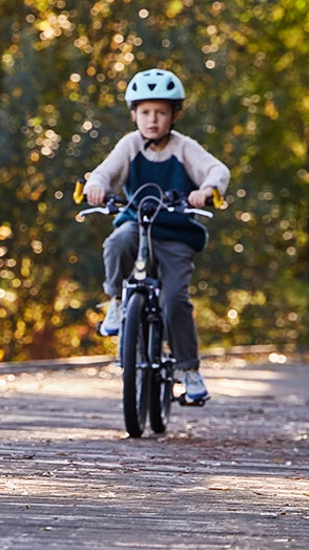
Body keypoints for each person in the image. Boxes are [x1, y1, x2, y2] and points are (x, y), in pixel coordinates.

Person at [82, 68, 230, 404]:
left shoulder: (183, 147)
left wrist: (206, 189)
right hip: (138, 224)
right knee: (117, 240)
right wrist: (96, 187)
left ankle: (189, 371)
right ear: (134, 115)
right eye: (145, 112)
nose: (153, 120)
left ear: (174, 115)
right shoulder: (130, 145)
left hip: (175, 234)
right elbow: (105, 173)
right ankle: (117, 303)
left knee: (175, 299)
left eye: (161, 112)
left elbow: (217, 170)